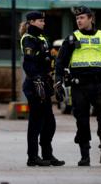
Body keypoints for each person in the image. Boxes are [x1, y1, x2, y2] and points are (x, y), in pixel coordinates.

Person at [54, 5, 101, 166]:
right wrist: (58, 80)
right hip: (79, 86)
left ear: (90, 18)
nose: (78, 21)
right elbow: (60, 61)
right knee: (82, 121)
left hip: (100, 85)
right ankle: (85, 156)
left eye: (82, 18)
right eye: (77, 18)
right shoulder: (72, 38)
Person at [19, 11, 65, 167]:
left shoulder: (43, 38)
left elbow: (49, 61)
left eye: (43, 20)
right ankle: (32, 157)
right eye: (40, 20)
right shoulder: (28, 38)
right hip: (34, 84)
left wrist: (55, 81)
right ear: (31, 22)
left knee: (49, 123)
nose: (43, 23)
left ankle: (47, 154)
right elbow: (29, 63)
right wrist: (37, 79)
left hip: (44, 83)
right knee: (36, 122)